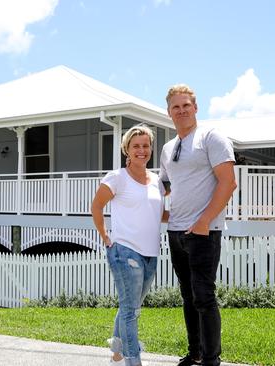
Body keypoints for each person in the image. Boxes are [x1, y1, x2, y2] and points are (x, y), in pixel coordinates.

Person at [160, 85, 237, 366]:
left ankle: (210, 359)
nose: (181, 111)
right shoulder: (168, 148)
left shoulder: (211, 137)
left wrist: (204, 220)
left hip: (204, 231)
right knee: (188, 296)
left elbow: (228, 182)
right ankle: (195, 353)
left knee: (204, 296)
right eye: (175, 107)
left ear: (195, 108)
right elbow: (164, 186)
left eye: (186, 106)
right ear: (169, 112)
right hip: (176, 232)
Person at [91, 124, 168, 366]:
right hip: (125, 251)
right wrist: (105, 236)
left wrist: (187, 217)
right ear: (127, 149)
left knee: (130, 306)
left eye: (146, 146)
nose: (142, 150)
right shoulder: (117, 177)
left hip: (150, 253)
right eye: (136, 146)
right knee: (131, 311)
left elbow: (159, 214)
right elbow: (96, 206)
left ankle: (116, 352)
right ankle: (132, 360)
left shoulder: (156, 180)